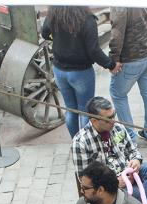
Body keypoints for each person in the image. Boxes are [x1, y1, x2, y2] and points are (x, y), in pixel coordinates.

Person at [73, 97, 147, 204]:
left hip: (129, 174)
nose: (113, 121)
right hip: (109, 187)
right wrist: (114, 182)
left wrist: (135, 161)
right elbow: (85, 179)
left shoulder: (118, 128)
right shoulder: (81, 142)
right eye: (108, 118)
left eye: (113, 115)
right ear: (94, 121)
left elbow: (133, 150)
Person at [41, 6, 116, 137]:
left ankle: (76, 142)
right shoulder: (87, 19)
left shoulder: (54, 12)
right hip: (81, 73)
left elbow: (44, 34)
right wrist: (111, 64)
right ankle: (86, 144)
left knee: (70, 110)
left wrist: (59, 40)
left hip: (59, 71)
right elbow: (94, 51)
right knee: (85, 112)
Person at [108, 7, 147, 145]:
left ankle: (130, 136)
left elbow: (117, 32)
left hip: (131, 57)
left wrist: (114, 58)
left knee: (118, 94)